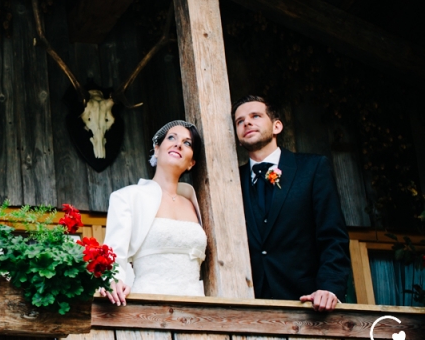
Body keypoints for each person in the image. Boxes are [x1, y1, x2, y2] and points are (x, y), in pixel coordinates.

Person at [232, 95, 350, 312]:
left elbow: (332, 235)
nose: (246, 122)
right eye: (240, 121)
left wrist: (329, 287)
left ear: (277, 126)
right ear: (238, 137)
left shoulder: (313, 169)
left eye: (255, 116)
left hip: (308, 304)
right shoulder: (230, 182)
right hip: (249, 308)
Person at [101, 120, 207, 306]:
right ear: (157, 149)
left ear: (191, 163)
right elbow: (113, 254)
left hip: (197, 306)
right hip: (149, 306)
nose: (178, 144)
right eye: (171, 137)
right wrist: (113, 280)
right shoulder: (127, 197)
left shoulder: (196, 203)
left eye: (187, 143)